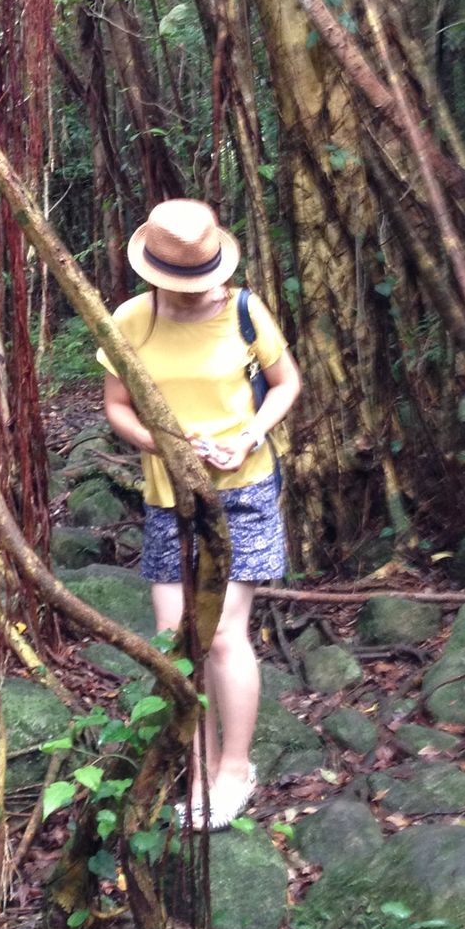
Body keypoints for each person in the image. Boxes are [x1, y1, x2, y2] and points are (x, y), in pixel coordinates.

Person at [97, 199, 301, 829]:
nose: (193, 289)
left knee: (220, 634)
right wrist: (165, 444)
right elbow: (117, 407)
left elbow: (287, 382)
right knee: (174, 641)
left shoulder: (244, 310)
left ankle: (234, 770)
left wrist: (247, 436)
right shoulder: (130, 319)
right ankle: (200, 767)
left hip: (242, 487)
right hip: (168, 497)